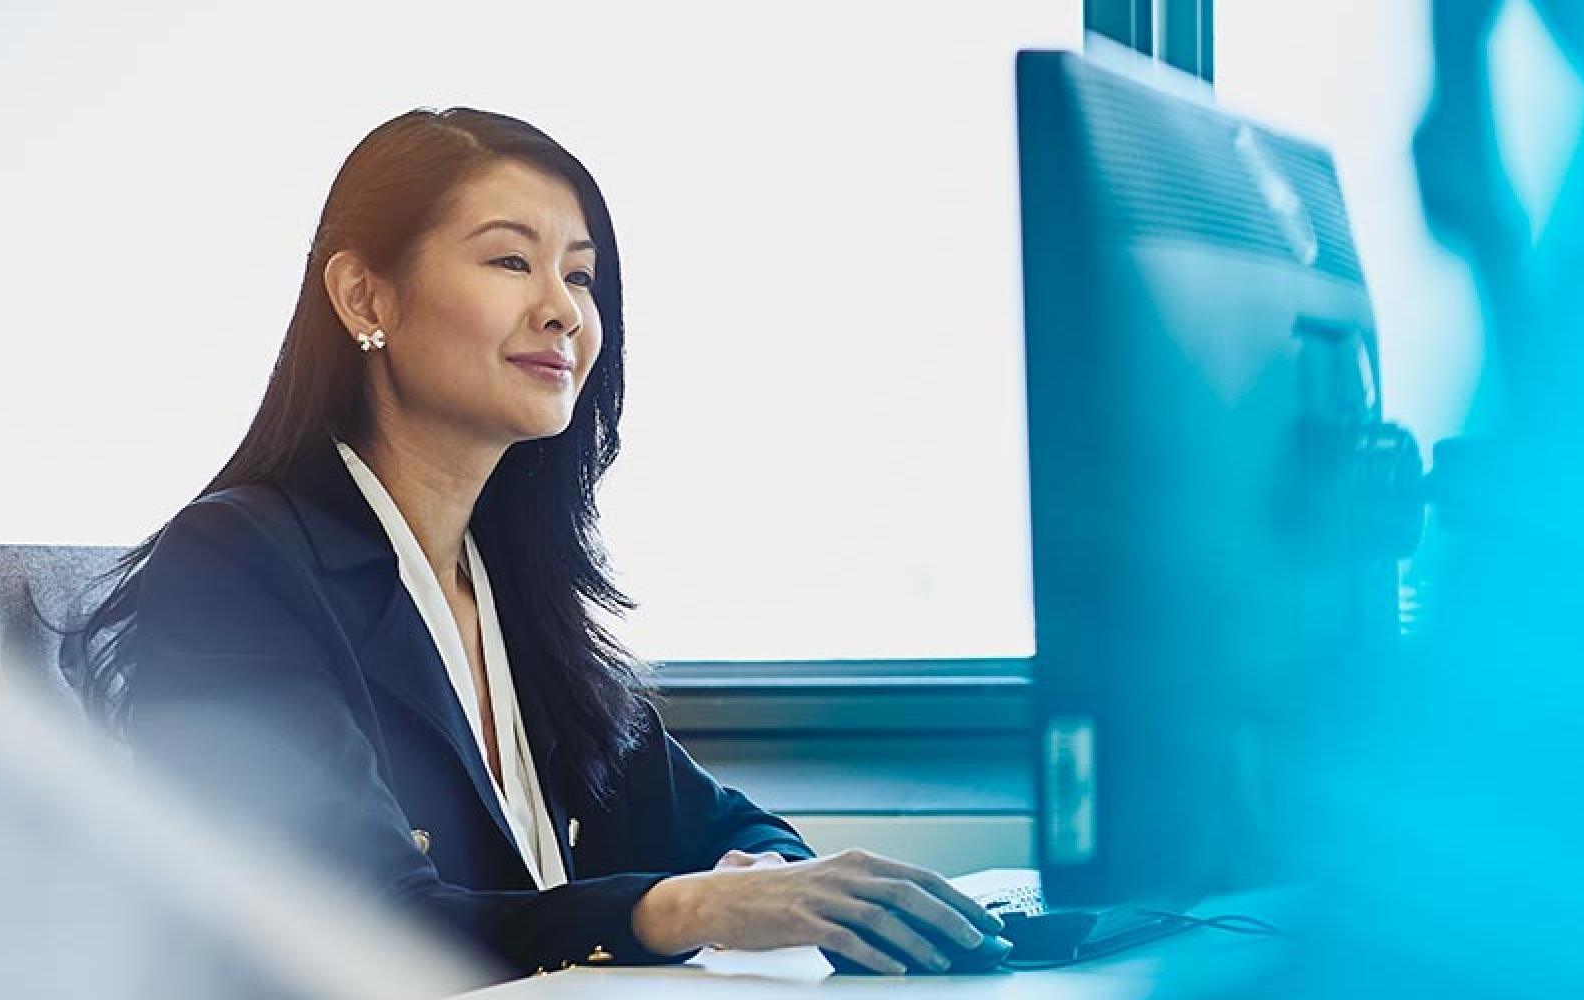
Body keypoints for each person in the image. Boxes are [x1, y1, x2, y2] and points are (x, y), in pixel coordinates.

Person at [77, 107, 1002, 982]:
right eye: (512, 262)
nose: (563, 309)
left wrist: (769, 881)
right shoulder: (234, 567)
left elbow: (730, 829)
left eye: (583, 275)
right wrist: (683, 910)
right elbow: (355, 925)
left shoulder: (513, 589)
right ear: (365, 294)